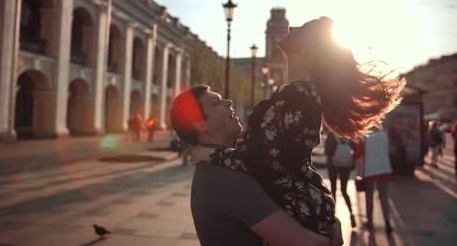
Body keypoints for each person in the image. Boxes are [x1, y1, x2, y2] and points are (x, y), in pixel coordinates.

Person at [191, 16, 403, 237]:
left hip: (295, 210)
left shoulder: (301, 95)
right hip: (296, 206)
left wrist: (212, 155)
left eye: (301, 29)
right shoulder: (298, 93)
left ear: (307, 50)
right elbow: (294, 162)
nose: (292, 27)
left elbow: (264, 162)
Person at [170, 85, 343, 246]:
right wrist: (330, 236)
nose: (228, 102)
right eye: (216, 102)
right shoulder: (225, 178)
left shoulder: (229, 164)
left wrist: (330, 219)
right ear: (200, 124)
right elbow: (304, 241)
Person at [355, 127, 393, 233]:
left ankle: (370, 222)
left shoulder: (365, 138)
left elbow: (357, 153)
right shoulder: (385, 136)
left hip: (370, 171)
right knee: (384, 197)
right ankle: (387, 221)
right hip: (384, 170)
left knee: (369, 197)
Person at [325, 131, 357, 228]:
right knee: (344, 190)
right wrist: (352, 162)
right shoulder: (347, 134)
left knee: (333, 190)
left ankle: (333, 217)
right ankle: (351, 214)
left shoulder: (331, 136)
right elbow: (356, 147)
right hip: (345, 165)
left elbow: (327, 152)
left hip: (332, 166)